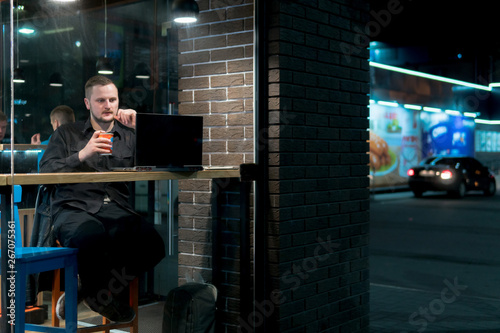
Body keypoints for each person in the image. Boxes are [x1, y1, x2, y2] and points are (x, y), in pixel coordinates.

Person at [39, 75, 165, 323]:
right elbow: (45, 173)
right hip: (73, 208)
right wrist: (82, 154)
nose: (108, 105)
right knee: (91, 236)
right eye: (100, 100)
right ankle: (102, 296)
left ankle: (93, 293)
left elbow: (166, 157)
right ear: (87, 103)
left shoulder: (129, 135)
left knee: (153, 244)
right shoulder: (67, 134)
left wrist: (143, 126)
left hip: (116, 208)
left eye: (112, 99)